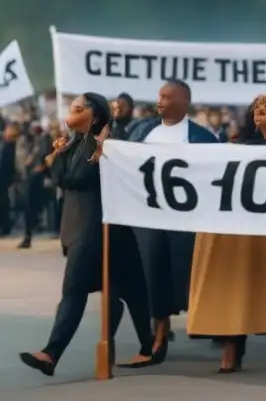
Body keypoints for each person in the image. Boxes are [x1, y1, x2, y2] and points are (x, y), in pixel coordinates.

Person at [19, 94, 155, 377]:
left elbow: (73, 179)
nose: (72, 112)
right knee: (128, 291)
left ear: (95, 116)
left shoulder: (102, 143)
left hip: (96, 230)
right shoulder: (79, 142)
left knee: (77, 291)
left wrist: (55, 158)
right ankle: (148, 345)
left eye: (79, 108)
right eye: (72, 107)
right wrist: (60, 152)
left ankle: (51, 354)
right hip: (87, 228)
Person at [186, 94, 266, 373]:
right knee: (235, 285)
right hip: (241, 224)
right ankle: (231, 347)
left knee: (258, 284)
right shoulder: (240, 145)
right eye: (256, 109)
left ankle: (239, 342)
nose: (260, 113)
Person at [129, 79, 219, 361]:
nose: (159, 101)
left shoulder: (203, 138)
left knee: (190, 275)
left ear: (183, 102)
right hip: (150, 218)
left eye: (166, 97)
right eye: (159, 96)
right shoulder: (142, 132)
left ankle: (214, 326)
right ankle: (159, 332)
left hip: (187, 222)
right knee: (152, 274)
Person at [16, 123, 49, 249]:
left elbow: (46, 156)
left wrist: (42, 167)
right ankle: (28, 235)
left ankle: (30, 232)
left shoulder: (43, 140)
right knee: (29, 207)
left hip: (37, 178)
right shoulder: (31, 141)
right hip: (30, 177)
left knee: (33, 207)